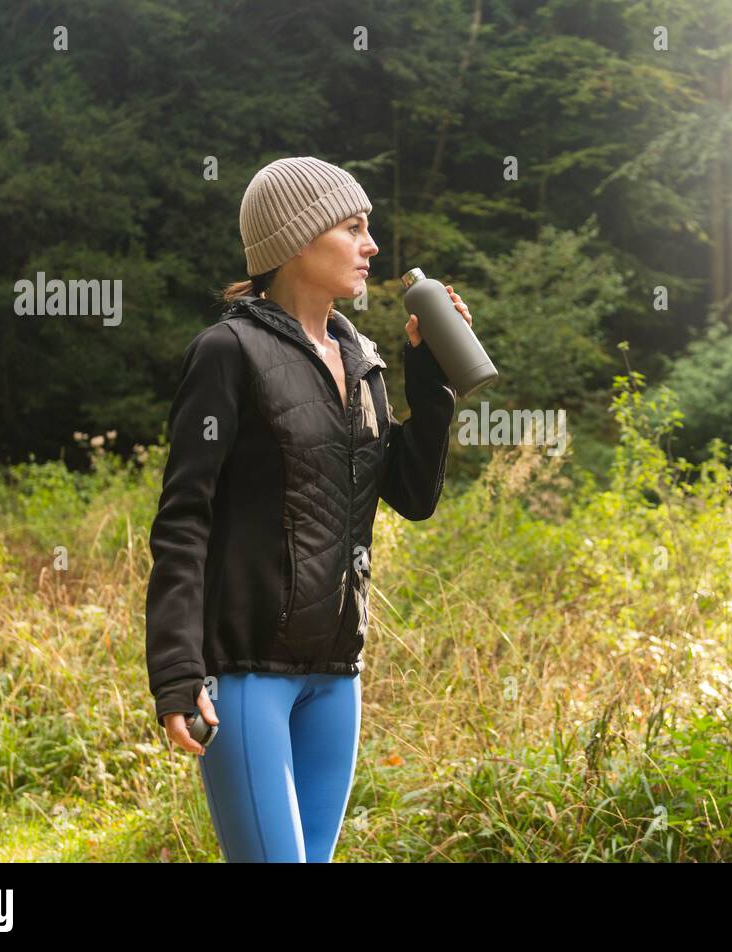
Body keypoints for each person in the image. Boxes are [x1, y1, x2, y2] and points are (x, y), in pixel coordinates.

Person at [144, 156, 472, 862]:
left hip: (336, 676)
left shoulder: (362, 359)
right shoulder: (227, 352)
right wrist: (176, 670)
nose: (371, 246)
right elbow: (183, 521)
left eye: (368, 229)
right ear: (297, 241)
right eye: (353, 228)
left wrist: (432, 382)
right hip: (245, 675)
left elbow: (412, 496)